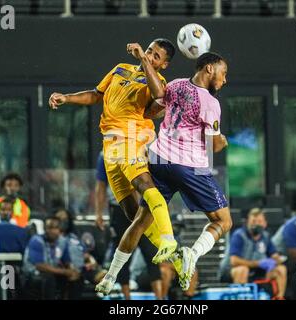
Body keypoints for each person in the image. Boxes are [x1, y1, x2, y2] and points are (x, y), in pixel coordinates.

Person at [99, 52, 232, 295]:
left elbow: (151, 112)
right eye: (223, 73)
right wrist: (223, 140)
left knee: (139, 221)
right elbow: (214, 145)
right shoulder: (211, 104)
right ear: (210, 69)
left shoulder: (174, 85)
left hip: (159, 160)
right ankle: (192, 253)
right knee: (223, 221)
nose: (225, 80)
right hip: (190, 165)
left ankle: (111, 275)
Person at [49, 40, 179, 271]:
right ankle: (177, 258)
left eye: (156, 56)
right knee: (131, 212)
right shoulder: (120, 68)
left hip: (132, 139)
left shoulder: (158, 81)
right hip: (110, 146)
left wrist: (143, 60)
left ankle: (169, 239)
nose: (150, 56)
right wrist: (67, 98)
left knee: (145, 186)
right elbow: (95, 95)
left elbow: (159, 96)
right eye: (149, 51)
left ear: (164, 65)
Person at [95, 151, 163, 299]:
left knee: (151, 252)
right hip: (120, 208)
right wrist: (99, 213)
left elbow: (154, 179)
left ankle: (160, 299)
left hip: (143, 206)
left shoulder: (141, 148)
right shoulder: (105, 154)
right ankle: (127, 300)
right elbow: (101, 185)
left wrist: (159, 208)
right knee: (122, 251)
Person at [229, 208, 286, 299]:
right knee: (242, 270)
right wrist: (257, 263)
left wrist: (274, 261)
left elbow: (275, 255)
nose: (256, 224)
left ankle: (279, 297)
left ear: (265, 224)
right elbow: (233, 260)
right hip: (238, 271)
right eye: (253, 221)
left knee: (281, 269)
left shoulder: (266, 236)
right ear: (248, 222)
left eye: (259, 221)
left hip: (259, 272)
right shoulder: (239, 235)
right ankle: (240, 297)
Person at [23, 217, 81, 300]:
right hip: (32, 275)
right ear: (45, 229)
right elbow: (40, 266)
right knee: (49, 278)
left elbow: (67, 261)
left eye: (55, 228)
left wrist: (72, 271)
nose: (52, 231)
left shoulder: (62, 242)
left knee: (77, 278)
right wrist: (65, 272)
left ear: (60, 229)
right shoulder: (36, 240)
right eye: (49, 227)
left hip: (52, 272)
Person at [54, 208, 106, 288]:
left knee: (99, 276)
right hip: (63, 267)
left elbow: (86, 254)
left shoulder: (73, 237)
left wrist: (92, 262)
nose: (63, 221)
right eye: (60, 219)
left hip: (81, 267)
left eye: (65, 219)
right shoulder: (52, 238)